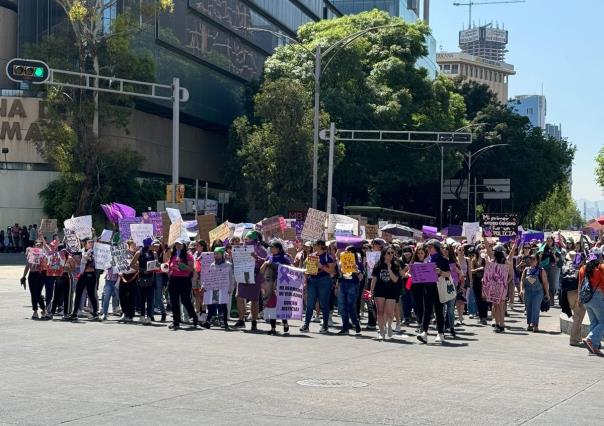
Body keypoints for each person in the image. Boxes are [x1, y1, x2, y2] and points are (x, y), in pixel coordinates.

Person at [417, 239, 450, 344]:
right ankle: (424, 333)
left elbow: (448, 274)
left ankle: (440, 333)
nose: (428, 249)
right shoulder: (427, 260)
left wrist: (440, 271)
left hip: (439, 288)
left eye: (430, 247)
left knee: (439, 311)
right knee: (427, 311)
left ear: (436, 247)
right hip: (428, 288)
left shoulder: (443, 260)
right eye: (428, 247)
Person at [370, 245, 405, 340]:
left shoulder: (396, 265)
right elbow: (374, 279)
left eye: (392, 253)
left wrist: (389, 268)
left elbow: (395, 279)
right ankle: (381, 331)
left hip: (392, 291)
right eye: (388, 253)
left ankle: (389, 325)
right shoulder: (378, 265)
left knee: (389, 312)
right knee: (380, 312)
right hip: (379, 291)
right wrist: (371, 292)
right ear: (384, 255)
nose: (391, 255)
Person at [300, 239, 336, 333]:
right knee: (310, 304)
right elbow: (308, 270)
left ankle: (325, 326)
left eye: (315, 244)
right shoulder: (312, 256)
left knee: (323, 304)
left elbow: (331, 271)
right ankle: (306, 325)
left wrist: (321, 266)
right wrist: (305, 280)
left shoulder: (329, 257)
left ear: (320, 245)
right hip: (312, 281)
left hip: (324, 281)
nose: (313, 246)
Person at [234, 230, 265, 331]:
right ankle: (241, 320)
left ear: (255, 239)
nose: (246, 240)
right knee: (239, 297)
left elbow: (265, 262)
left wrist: (256, 257)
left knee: (254, 300)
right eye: (245, 238)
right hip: (243, 274)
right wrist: (232, 254)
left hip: (255, 276)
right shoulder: (241, 247)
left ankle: (254, 322)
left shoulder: (261, 249)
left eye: (249, 238)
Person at [260, 240, 291, 335]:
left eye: (272, 247)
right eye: (270, 247)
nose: (270, 249)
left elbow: (291, 269)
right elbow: (261, 271)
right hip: (270, 286)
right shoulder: (269, 257)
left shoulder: (284, 258)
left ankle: (285, 322)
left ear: (278, 248)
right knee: (272, 305)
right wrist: (265, 263)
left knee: (281, 306)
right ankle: (273, 328)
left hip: (281, 286)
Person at [577, 247, 604, 355]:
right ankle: (591, 340)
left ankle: (594, 347)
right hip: (597, 297)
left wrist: (579, 298)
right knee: (603, 322)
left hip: (586, 298)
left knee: (594, 322)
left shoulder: (583, 268)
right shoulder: (601, 267)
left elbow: (580, 284)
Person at [202, 247, 236, 330]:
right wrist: (204, 285)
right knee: (211, 305)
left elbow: (231, 277)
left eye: (217, 253)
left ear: (222, 254)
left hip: (224, 289)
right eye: (214, 253)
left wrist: (230, 288)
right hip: (214, 288)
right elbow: (209, 276)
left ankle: (225, 323)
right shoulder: (212, 264)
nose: (215, 255)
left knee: (223, 306)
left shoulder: (228, 264)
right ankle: (208, 322)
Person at [166, 238, 197, 330]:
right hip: (173, 279)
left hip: (184, 280)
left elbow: (191, 269)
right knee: (174, 301)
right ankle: (176, 321)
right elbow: (169, 265)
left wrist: (183, 266)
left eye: (180, 244)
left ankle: (194, 317)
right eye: (176, 244)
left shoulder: (188, 255)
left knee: (185, 300)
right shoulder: (173, 255)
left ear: (184, 245)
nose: (178, 246)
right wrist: (166, 267)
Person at [69, 239, 100, 321]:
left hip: (91, 275)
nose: (91, 243)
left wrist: (89, 257)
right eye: (89, 242)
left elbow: (93, 261)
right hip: (83, 275)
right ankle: (75, 312)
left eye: (92, 242)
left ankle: (95, 313)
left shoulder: (94, 252)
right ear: (85, 243)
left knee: (91, 294)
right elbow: (77, 259)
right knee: (78, 294)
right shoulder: (82, 251)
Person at [336, 246, 363, 336]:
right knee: (342, 307)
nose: (345, 253)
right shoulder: (342, 260)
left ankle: (356, 323)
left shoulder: (358, 262)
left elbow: (361, 277)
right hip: (343, 284)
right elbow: (339, 272)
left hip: (352, 285)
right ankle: (345, 328)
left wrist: (356, 269)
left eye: (347, 251)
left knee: (350, 307)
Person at [519, 253, 550, 332]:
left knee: (535, 308)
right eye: (531, 259)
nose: (532, 261)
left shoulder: (541, 270)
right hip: (528, 292)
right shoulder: (526, 270)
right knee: (528, 308)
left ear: (537, 261)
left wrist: (547, 293)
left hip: (538, 292)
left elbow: (545, 282)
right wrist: (521, 290)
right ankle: (529, 324)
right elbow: (522, 281)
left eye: (534, 259)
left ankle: (535, 325)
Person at [562, 250, 586, 346]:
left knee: (578, 314)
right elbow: (581, 282)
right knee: (578, 315)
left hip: (568, 293)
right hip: (575, 292)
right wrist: (579, 296)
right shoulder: (580, 267)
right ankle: (573, 339)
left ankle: (577, 337)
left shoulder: (568, 265)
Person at [21, 240, 49, 319]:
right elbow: (27, 266)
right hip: (32, 275)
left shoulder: (43, 254)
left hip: (40, 275)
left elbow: (47, 264)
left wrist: (42, 260)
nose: (39, 246)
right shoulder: (30, 254)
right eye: (37, 245)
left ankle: (43, 309)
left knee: (38, 293)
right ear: (34, 246)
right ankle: (35, 311)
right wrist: (24, 276)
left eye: (40, 245)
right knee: (33, 293)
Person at [118, 240, 140, 323]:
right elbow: (118, 264)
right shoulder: (122, 254)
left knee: (131, 296)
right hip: (123, 276)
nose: (133, 247)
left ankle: (130, 314)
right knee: (122, 296)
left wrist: (133, 261)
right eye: (132, 245)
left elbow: (138, 267)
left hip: (132, 276)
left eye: (135, 245)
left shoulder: (137, 254)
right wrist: (119, 272)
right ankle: (124, 312)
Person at [137, 239, 157, 324]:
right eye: (152, 244)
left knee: (150, 298)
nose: (153, 245)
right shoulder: (139, 253)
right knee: (142, 298)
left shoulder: (154, 253)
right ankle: (142, 316)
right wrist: (142, 270)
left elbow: (156, 265)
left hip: (151, 278)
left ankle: (149, 316)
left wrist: (156, 266)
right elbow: (132, 264)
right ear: (147, 245)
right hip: (142, 278)